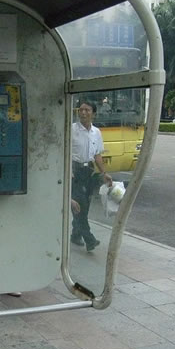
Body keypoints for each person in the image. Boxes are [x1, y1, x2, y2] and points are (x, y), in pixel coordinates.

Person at [70, 101, 113, 252]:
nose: (83, 113)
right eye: (81, 110)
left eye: (87, 110)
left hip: (88, 171)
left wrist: (104, 173)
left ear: (93, 113)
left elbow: (97, 155)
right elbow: (63, 151)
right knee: (79, 206)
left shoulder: (96, 132)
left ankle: (75, 235)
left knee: (85, 205)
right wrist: (68, 171)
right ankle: (90, 240)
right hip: (74, 171)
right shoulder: (71, 129)